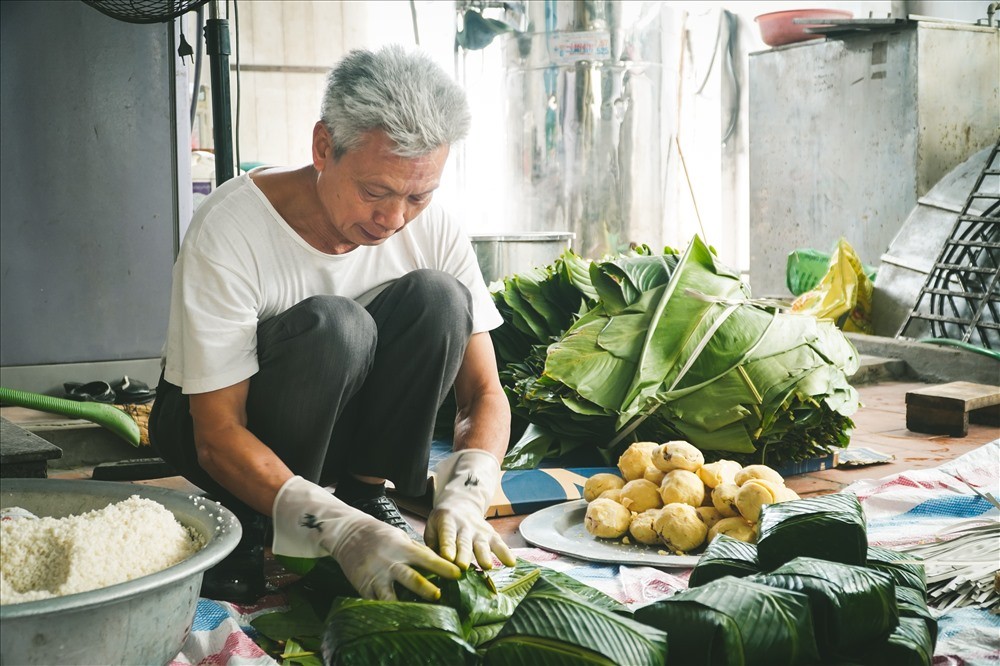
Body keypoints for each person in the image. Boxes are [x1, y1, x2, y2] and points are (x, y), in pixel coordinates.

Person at [150, 45, 516, 603]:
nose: (394, 219)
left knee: (442, 297)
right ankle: (254, 518)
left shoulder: (432, 226)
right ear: (324, 147)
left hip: (337, 424)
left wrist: (468, 490)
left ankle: (364, 496)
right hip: (218, 433)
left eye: (418, 196)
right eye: (376, 192)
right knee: (336, 326)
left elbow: (485, 391)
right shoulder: (232, 228)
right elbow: (216, 433)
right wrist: (333, 530)